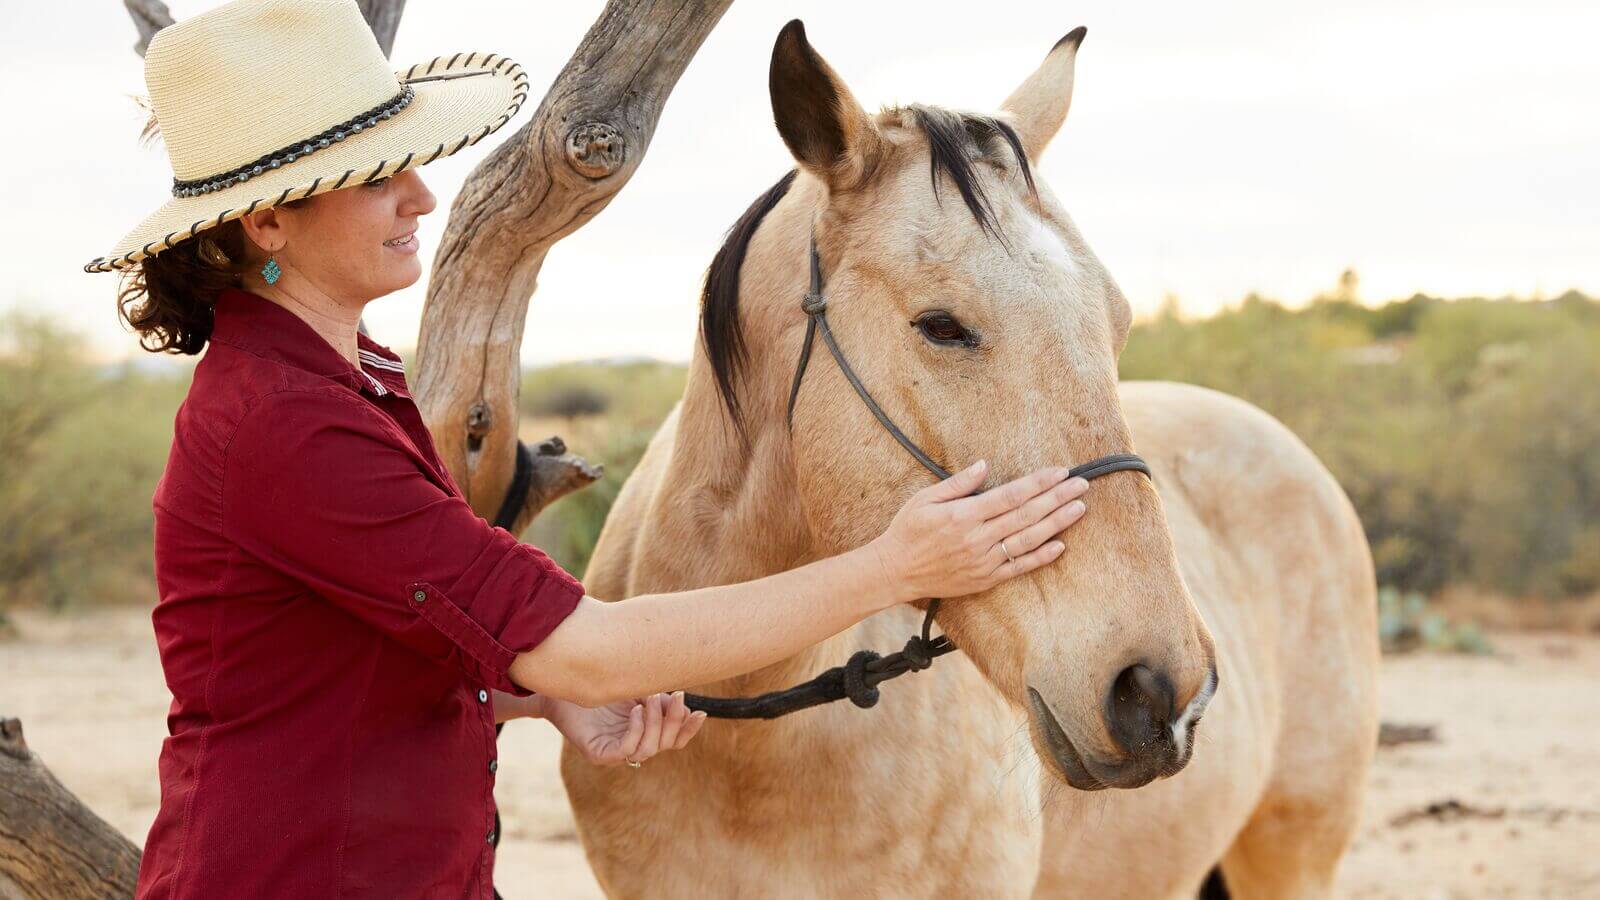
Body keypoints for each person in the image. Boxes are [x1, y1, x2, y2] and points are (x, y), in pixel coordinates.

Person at [86, 2, 1092, 897]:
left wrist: (541, 701)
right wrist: (895, 566)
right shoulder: (285, 421)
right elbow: (585, 643)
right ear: (268, 221)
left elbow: (353, 649)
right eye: (378, 177)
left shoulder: (350, 378)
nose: (421, 198)